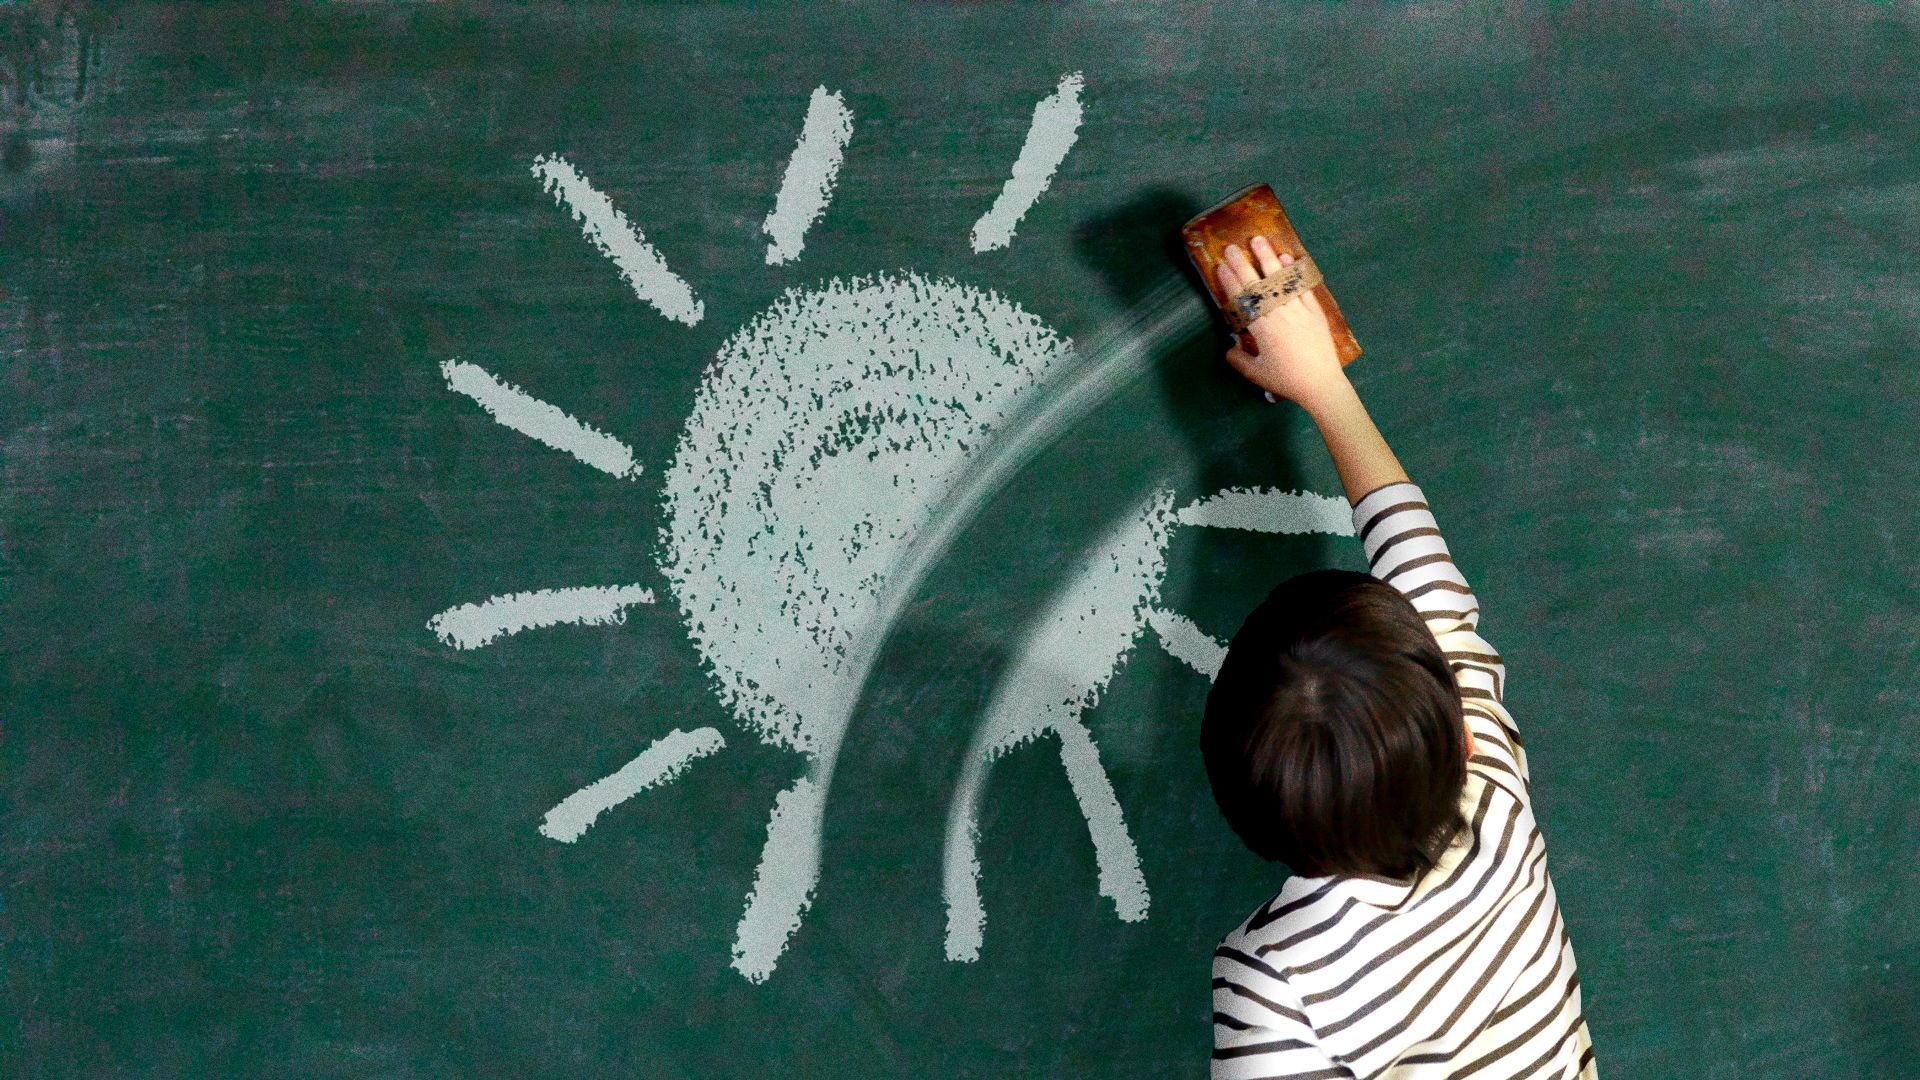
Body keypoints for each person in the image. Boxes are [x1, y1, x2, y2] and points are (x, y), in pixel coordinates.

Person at [1202, 236, 1597, 1078]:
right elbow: (1426, 573)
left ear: (1242, 807)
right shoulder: (1494, 793)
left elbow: (1428, 594)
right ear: (1455, 736)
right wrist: (1323, 386)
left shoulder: (1273, 983)